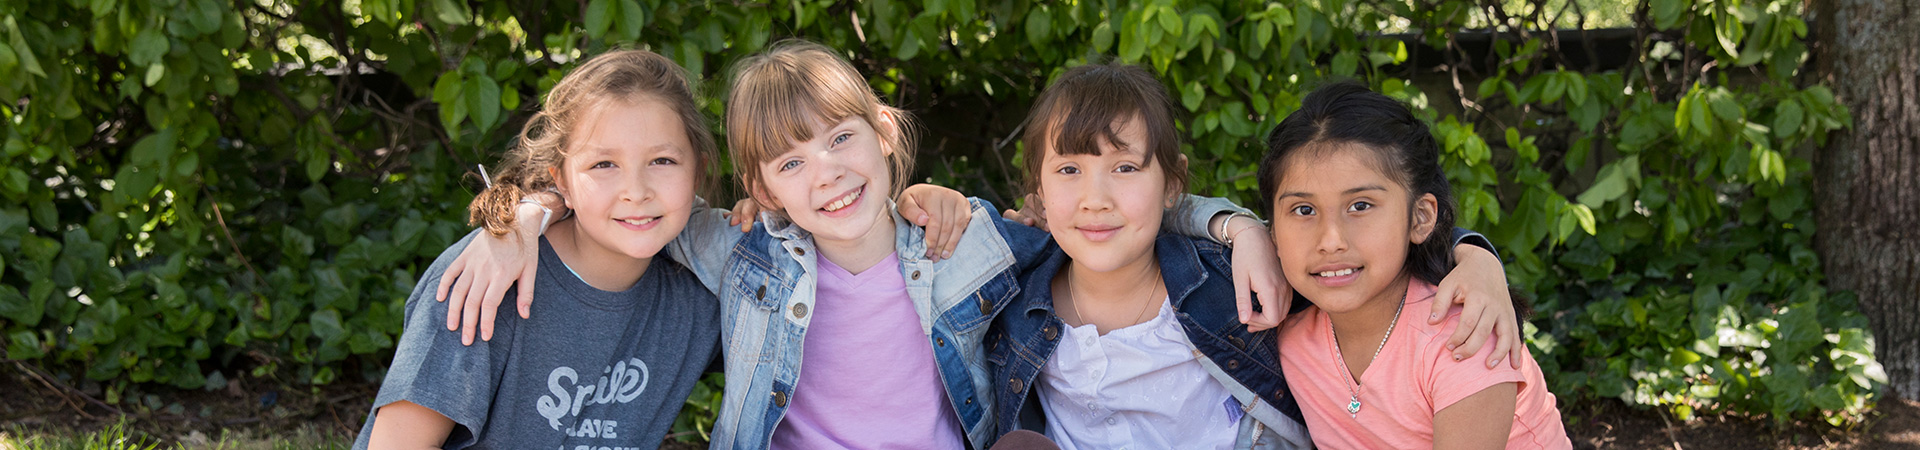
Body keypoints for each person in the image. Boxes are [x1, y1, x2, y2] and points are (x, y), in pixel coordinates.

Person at [435, 40, 1282, 449]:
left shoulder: (965, 239)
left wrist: (1231, 222)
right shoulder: (747, 257)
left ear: (883, 134)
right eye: (791, 163)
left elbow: (1099, 209)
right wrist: (522, 220)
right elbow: (635, 198)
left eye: (842, 140)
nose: (827, 177)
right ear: (762, 190)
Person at [986, 64, 1517, 450]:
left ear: (1172, 183)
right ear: (1037, 189)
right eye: (1068, 171)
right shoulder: (1008, 288)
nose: (1095, 197)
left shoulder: (1237, 287)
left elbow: (1383, 240)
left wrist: (1473, 256)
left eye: (1125, 168)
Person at [355, 49, 725, 450]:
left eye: (663, 160)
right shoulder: (488, 277)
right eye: (604, 164)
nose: (636, 192)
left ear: (699, 172)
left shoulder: (700, 293)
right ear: (560, 182)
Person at [1265, 81, 1570, 449]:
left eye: (1360, 206)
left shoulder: (1464, 337)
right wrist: (1235, 228)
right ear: (1272, 234)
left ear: (1420, 217)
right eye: (1304, 210)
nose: (1331, 241)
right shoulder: (1289, 335)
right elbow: (1177, 213)